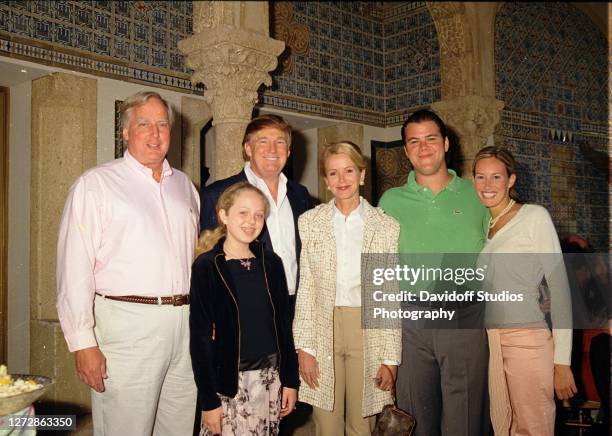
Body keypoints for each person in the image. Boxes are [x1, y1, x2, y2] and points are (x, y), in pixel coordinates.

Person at [56, 91, 200, 435]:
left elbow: (195, 260)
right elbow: (73, 268)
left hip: (186, 325)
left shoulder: (185, 187)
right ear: (125, 132)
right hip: (127, 326)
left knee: (178, 427)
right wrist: (83, 343)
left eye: (162, 124)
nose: (155, 133)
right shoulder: (96, 184)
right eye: (144, 124)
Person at [378, 109, 490, 436]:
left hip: (465, 317)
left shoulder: (477, 195)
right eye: (414, 141)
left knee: (466, 418)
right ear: (406, 151)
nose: (423, 147)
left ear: (445, 143)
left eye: (430, 139)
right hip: (411, 322)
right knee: (414, 415)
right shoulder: (390, 201)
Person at [293, 142, 401, 435]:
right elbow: (307, 288)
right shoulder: (310, 222)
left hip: (367, 328)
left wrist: (390, 359)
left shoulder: (385, 226)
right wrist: (305, 348)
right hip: (322, 325)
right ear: (326, 181)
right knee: (325, 422)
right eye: (334, 173)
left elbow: (387, 293)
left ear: (362, 175)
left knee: (362, 423)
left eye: (349, 171)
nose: (342, 180)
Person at [473, 146, 576, 435]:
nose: (487, 185)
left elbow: (560, 290)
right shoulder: (483, 226)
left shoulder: (534, 217)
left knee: (533, 428)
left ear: (511, 180)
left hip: (527, 341)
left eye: (496, 177)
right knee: (503, 427)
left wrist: (562, 362)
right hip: (490, 342)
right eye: (481, 177)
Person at [190, 182, 299, 435]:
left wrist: (290, 381)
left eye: (258, 215)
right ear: (223, 215)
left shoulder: (272, 263)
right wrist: (208, 400)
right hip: (228, 383)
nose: (252, 221)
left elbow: (284, 326)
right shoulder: (207, 266)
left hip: (270, 379)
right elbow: (200, 338)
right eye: (243, 213)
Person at [200, 114, 312, 319]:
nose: (272, 150)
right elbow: (207, 261)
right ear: (248, 149)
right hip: (243, 308)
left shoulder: (300, 195)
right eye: (263, 141)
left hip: (297, 308)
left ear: (288, 151)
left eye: (280, 142)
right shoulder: (217, 194)